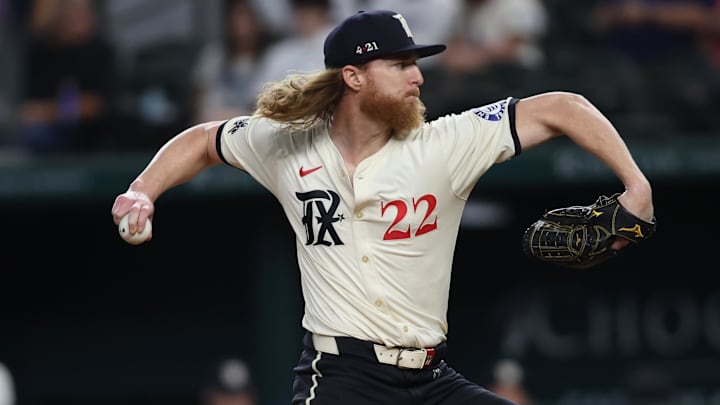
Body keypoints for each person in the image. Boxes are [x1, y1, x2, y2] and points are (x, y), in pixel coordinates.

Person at [111, 9, 655, 405]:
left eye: (415, 63)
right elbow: (205, 139)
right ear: (354, 77)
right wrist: (143, 189)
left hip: (431, 379)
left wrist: (635, 186)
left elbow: (564, 107)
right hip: (343, 379)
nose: (418, 75)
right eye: (400, 65)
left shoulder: (444, 143)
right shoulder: (286, 144)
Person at [16, 0, 114, 154]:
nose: (80, 21)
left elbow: (96, 105)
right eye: (74, 15)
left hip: (92, 131)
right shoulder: (41, 52)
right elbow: (29, 108)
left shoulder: (101, 52)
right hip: (51, 131)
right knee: (32, 135)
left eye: (85, 14)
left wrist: (49, 112)